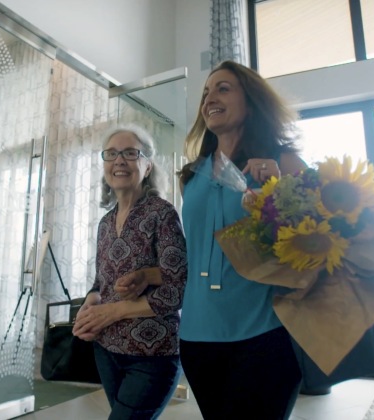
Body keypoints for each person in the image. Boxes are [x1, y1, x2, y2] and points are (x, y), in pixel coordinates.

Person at [178, 60, 306, 419]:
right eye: (205, 93)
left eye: (223, 88)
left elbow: (316, 242)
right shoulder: (191, 176)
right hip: (197, 336)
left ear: (250, 100)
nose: (209, 99)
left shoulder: (286, 163)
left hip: (265, 333)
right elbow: (197, 253)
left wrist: (279, 191)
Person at [72, 124, 187, 420]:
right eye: (111, 154)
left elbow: (178, 288)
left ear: (147, 167)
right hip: (107, 350)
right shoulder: (105, 223)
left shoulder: (162, 213)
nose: (119, 160)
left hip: (152, 356)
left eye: (130, 153)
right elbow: (101, 283)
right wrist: (91, 303)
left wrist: (113, 312)